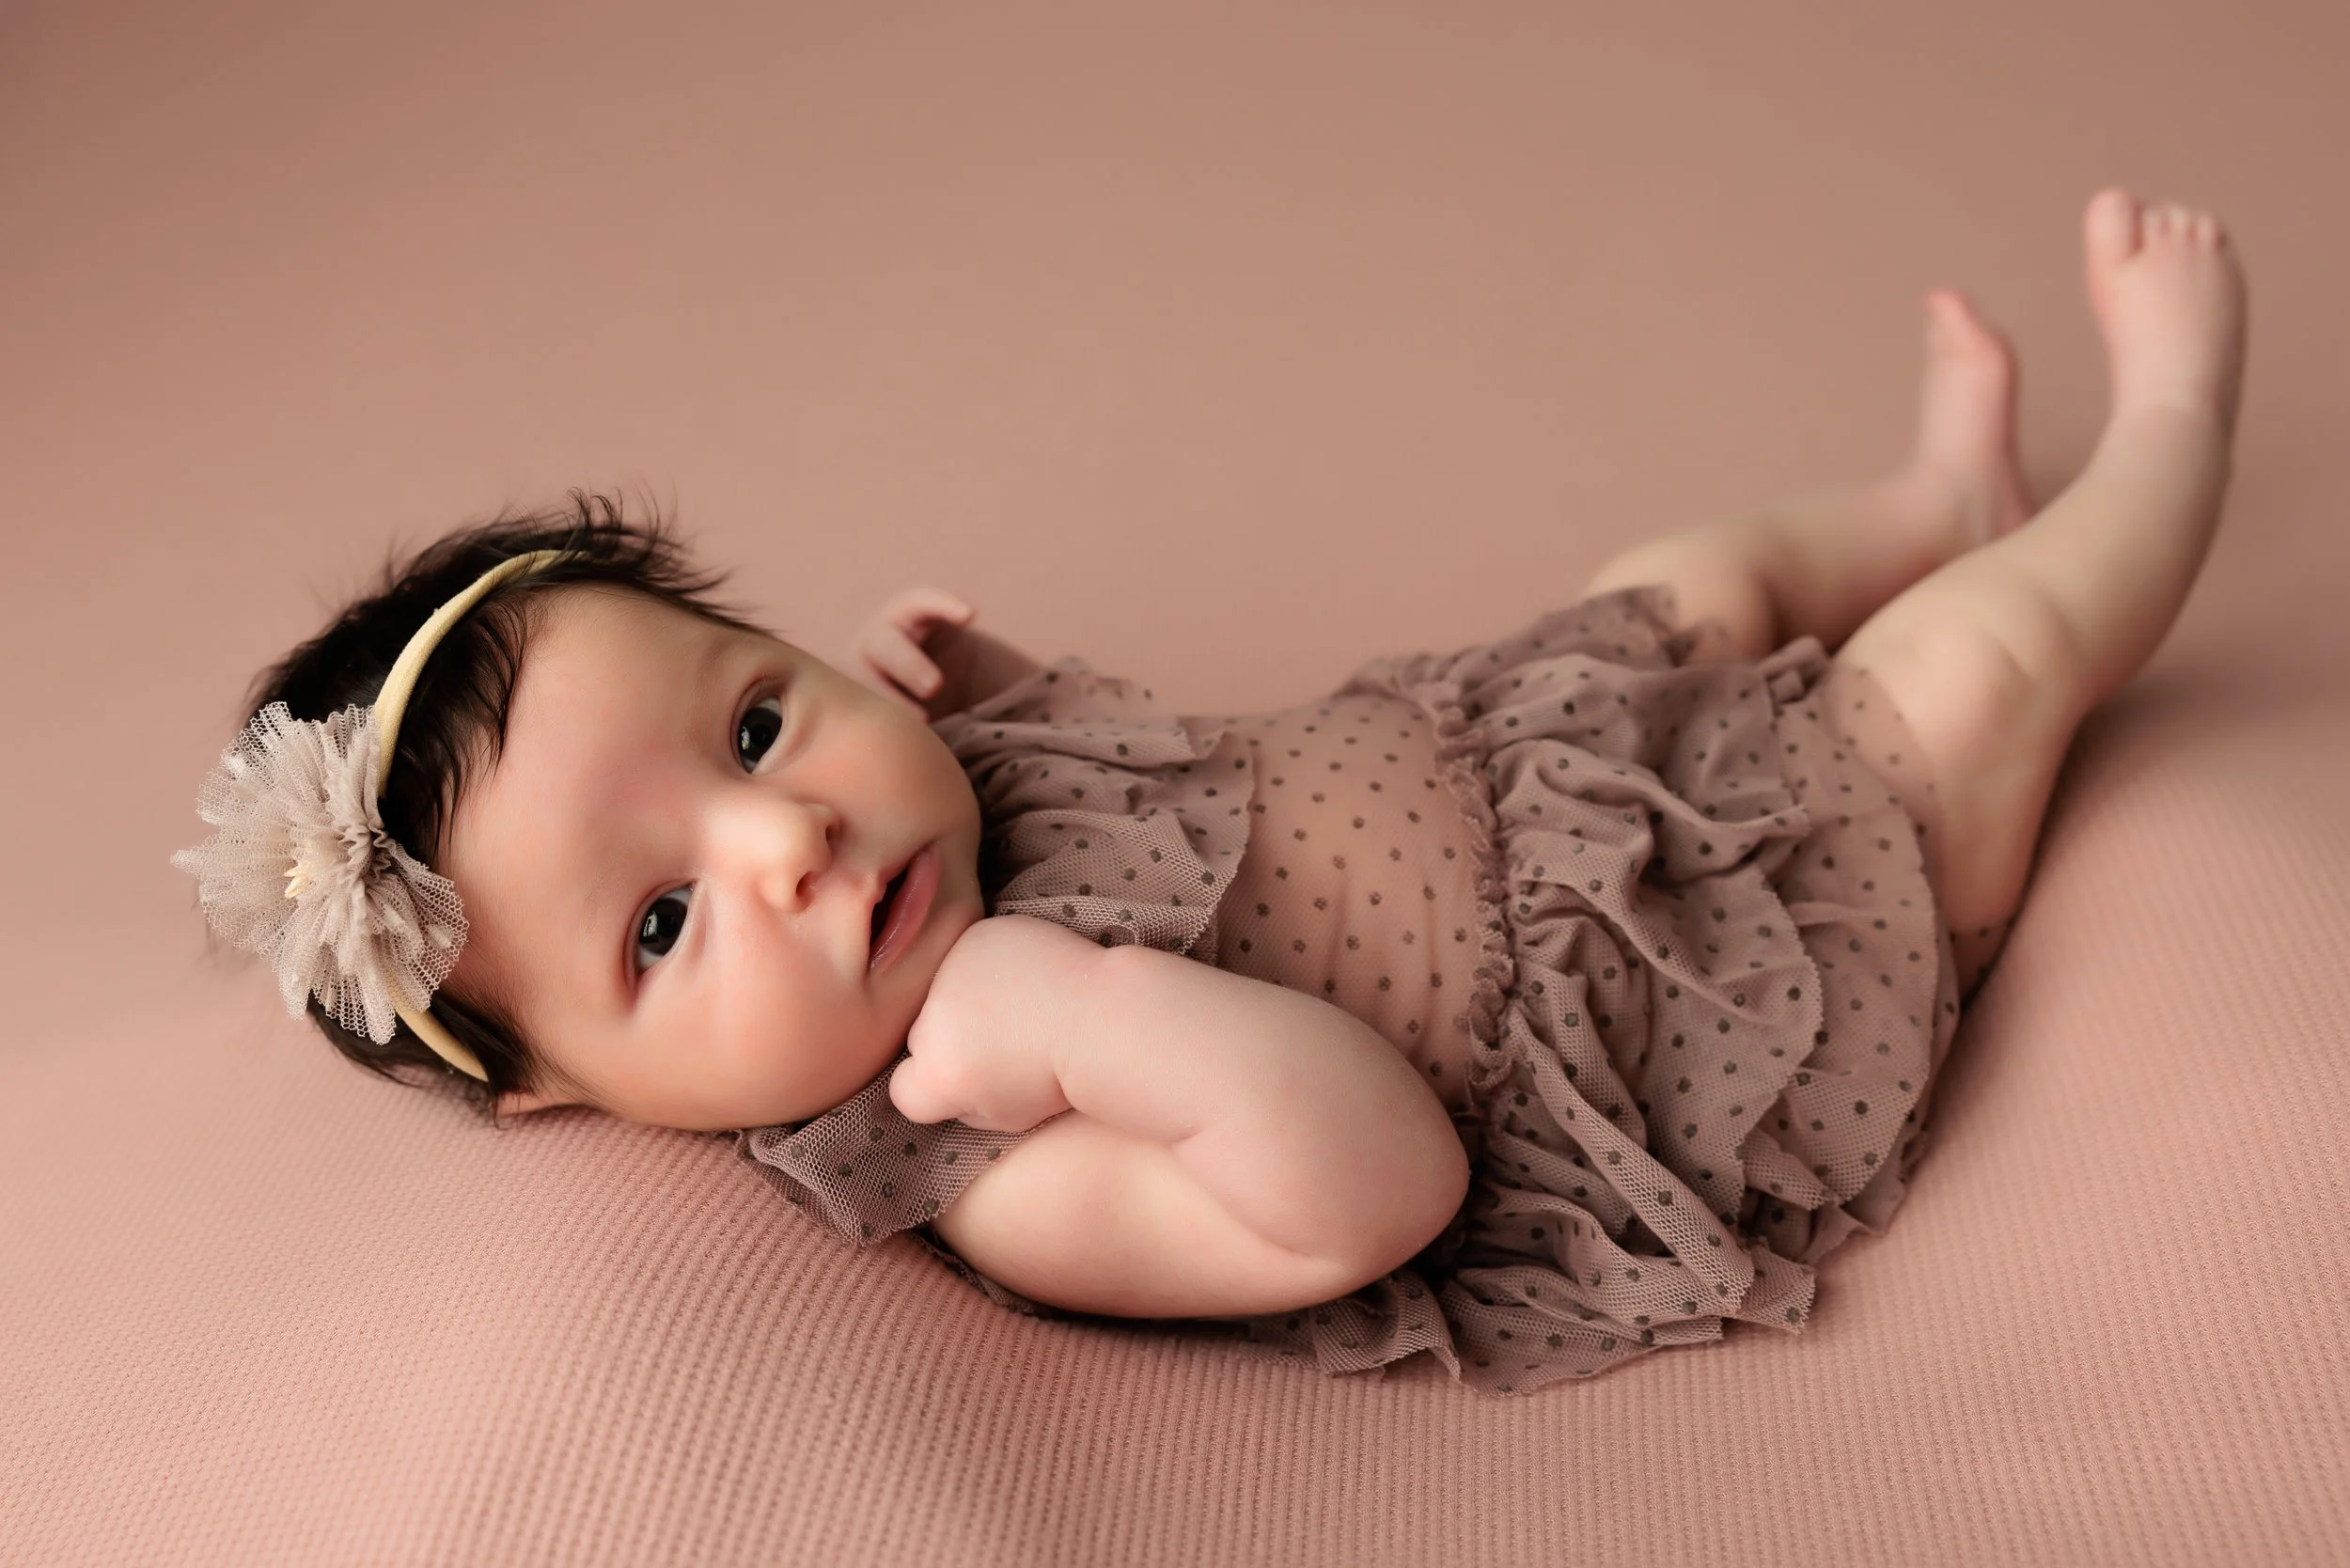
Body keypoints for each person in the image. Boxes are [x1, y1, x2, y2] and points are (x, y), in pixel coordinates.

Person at [174, 188, 2247, 1395]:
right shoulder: (999, 1166)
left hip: (1522, 750)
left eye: (753, 727)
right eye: (658, 927)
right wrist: (1085, 1018)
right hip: (1680, 991)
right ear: (563, 1085)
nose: (788, 840)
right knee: (1966, 681)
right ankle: (2166, 424)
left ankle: (1931, 495)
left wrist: (986, 693)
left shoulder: (941, 815)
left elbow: (1185, 795)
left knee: (1688, 581)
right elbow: (1371, 1189)